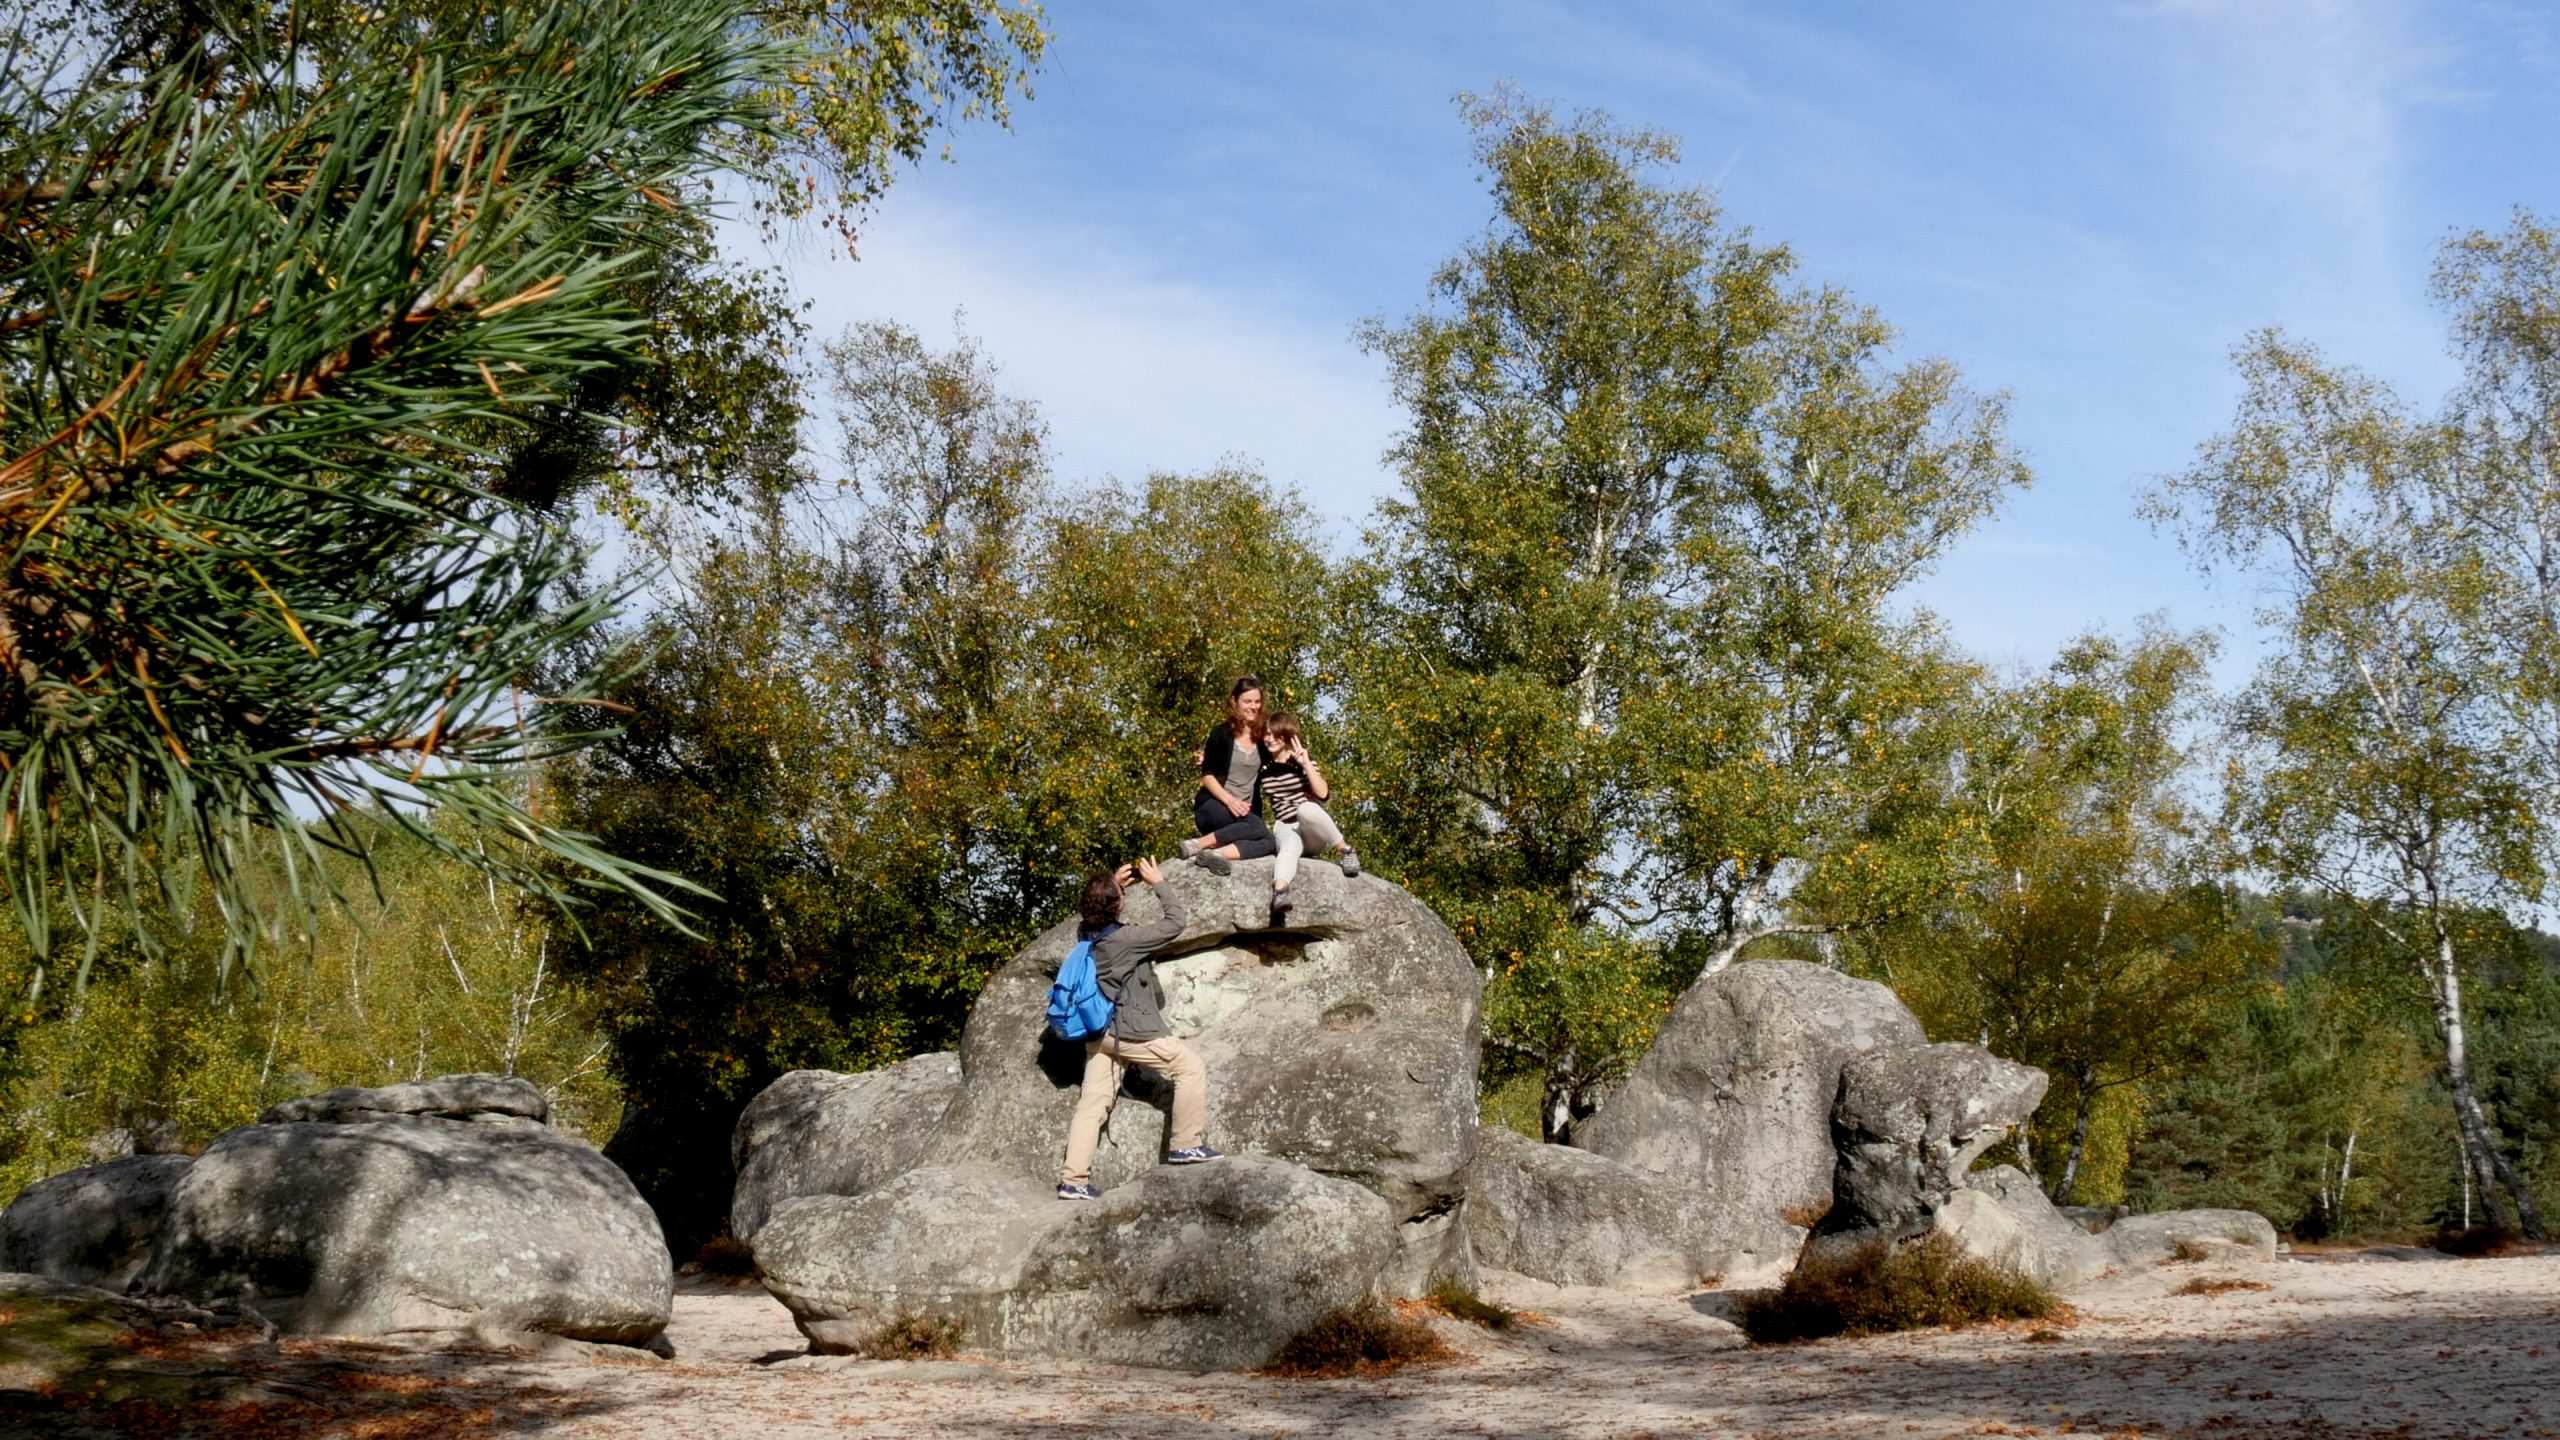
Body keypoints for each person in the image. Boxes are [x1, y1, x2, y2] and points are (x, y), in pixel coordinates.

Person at [1058, 857, 1223, 1200]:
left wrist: (1112, 885)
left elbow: (1093, 911)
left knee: (1093, 1104)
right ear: (1117, 904)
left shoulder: (1086, 934)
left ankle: (1073, 1181)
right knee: (1190, 1068)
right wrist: (1158, 882)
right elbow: (1175, 922)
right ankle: (1186, 1144)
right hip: (1130, 1032)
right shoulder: (1126, 940)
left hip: (1097, 1033)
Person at [1260, 712, 1360, 917]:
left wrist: (1305, 764)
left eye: (1275, 735)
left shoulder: (1302, 762)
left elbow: (1323, 794)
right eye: (1267, 734)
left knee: (1306, 809)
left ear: (1287, 736)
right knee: (1288, 846)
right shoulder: (1265, 769)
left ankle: (1345, 851)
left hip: (1312, 830)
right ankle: (1280, 891)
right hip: (1286, 826)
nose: (1269, 739)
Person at [1175, 675, 1276, 875]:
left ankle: (1216, 855)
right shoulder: (1221, 734)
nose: (1253, 706)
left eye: (1257, 702)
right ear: (1234, 702)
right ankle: (1198, 844)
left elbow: (1281, 757)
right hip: (1214, 806)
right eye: (1247, 701)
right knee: (1258, 828)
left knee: (1270, 843)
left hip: (1245, 816)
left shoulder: (1265, 738)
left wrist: (1305, 763)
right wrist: (1230, 801)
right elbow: (1208, 775)